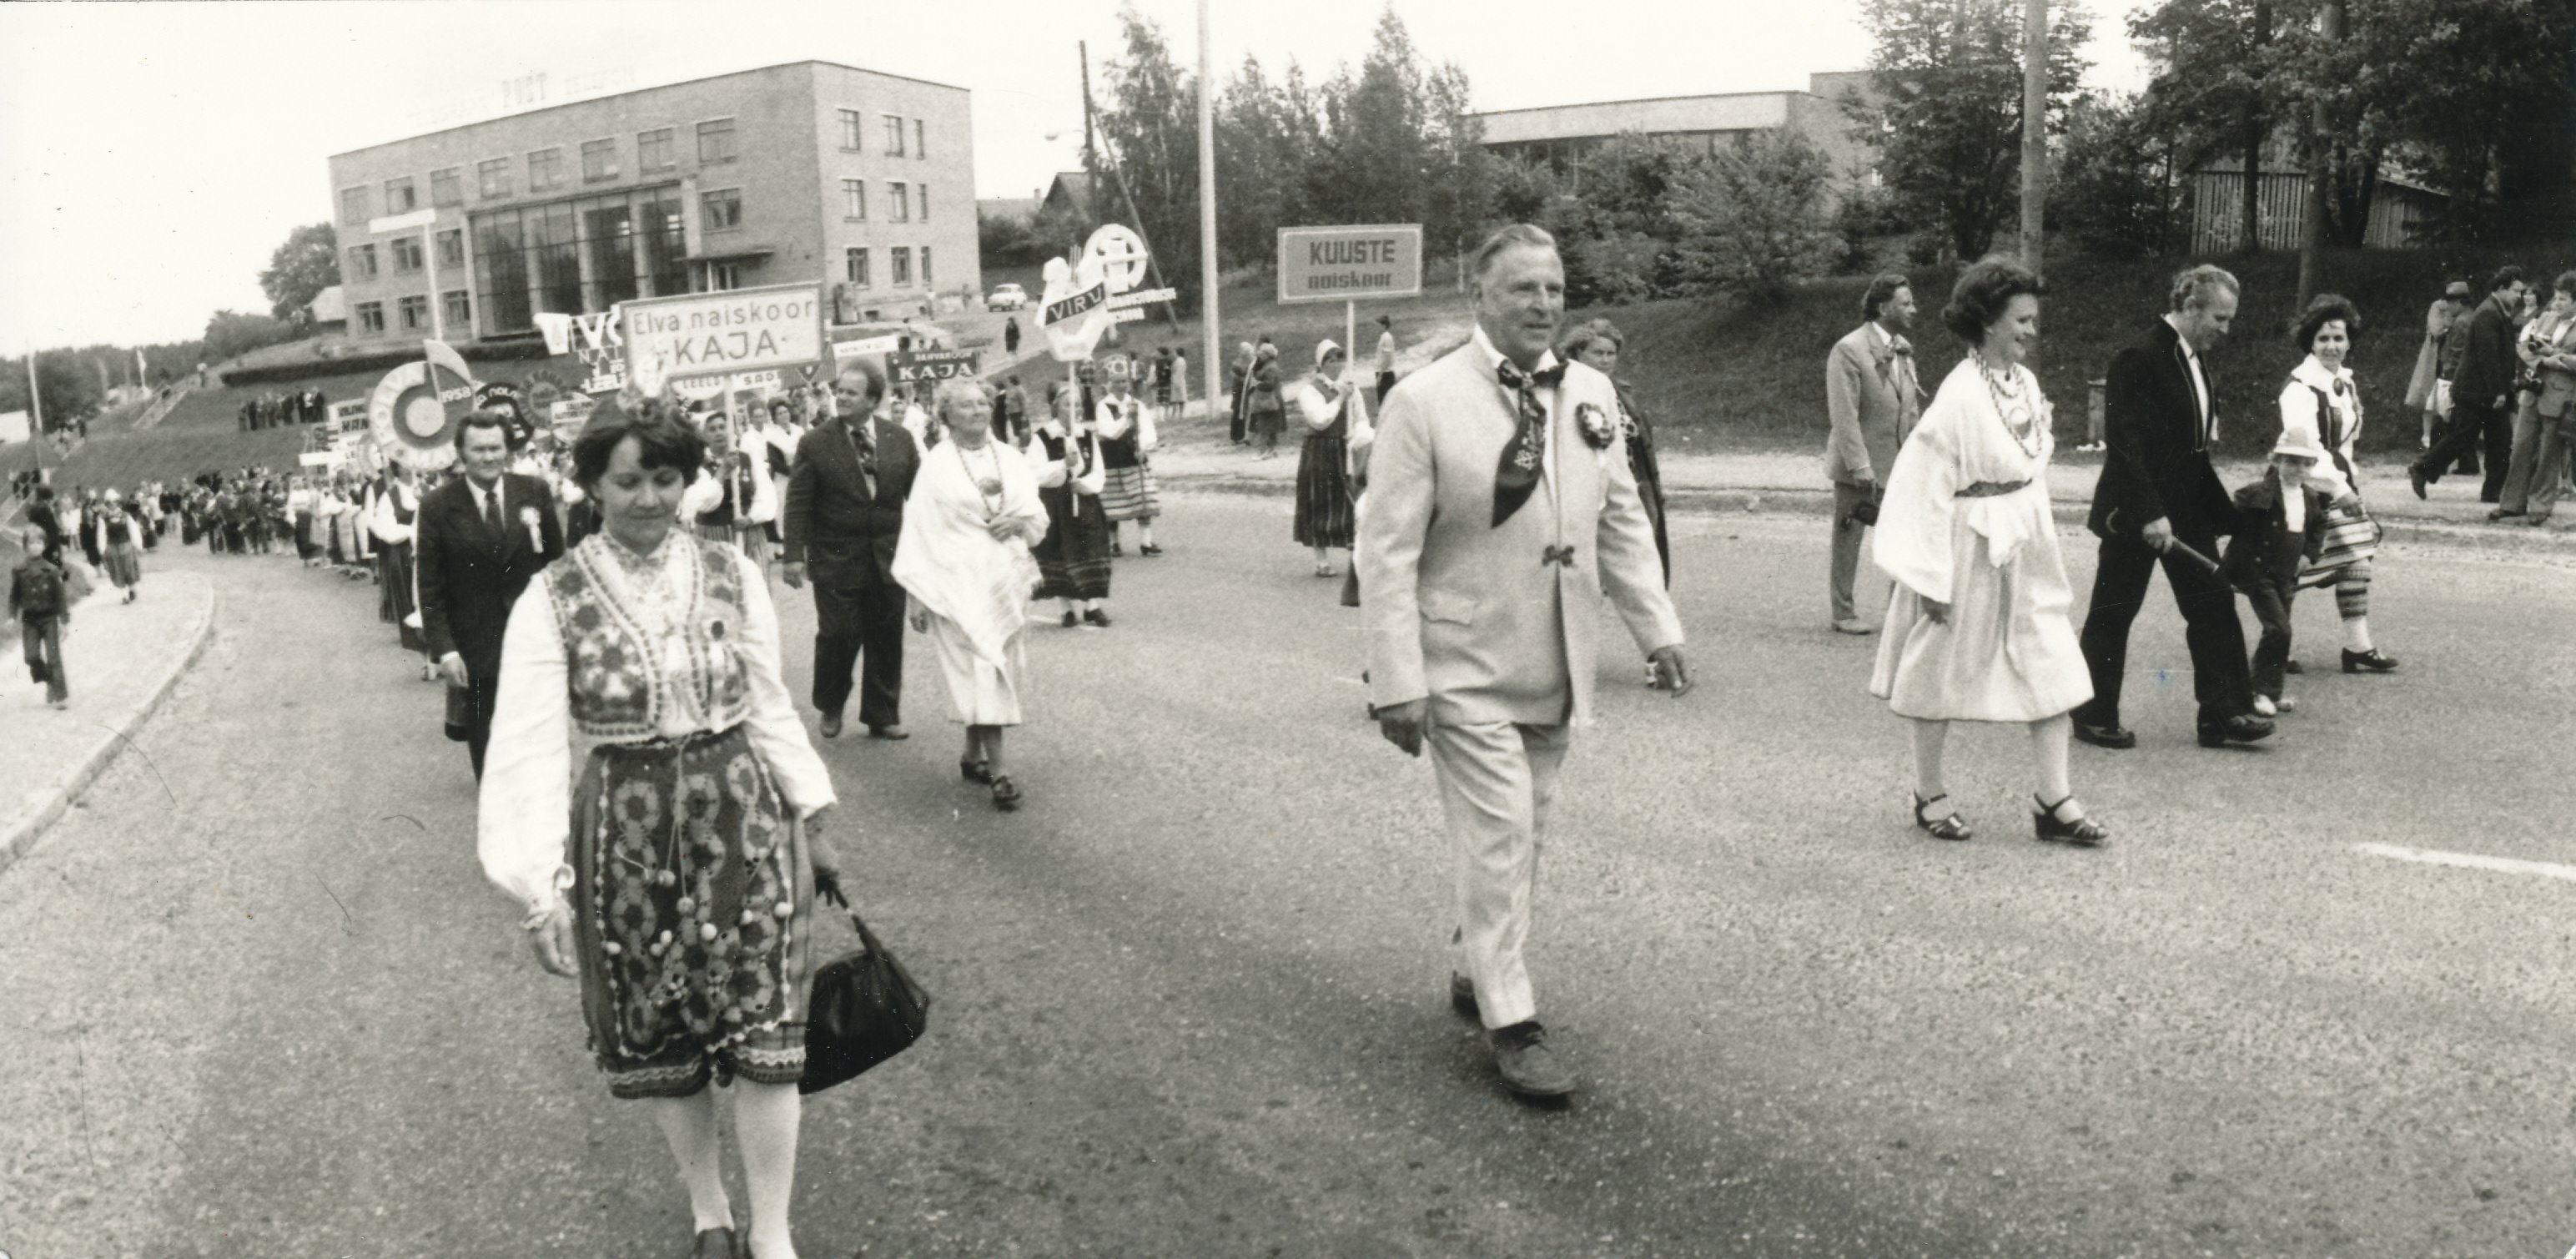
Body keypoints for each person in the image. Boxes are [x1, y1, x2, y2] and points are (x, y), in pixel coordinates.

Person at [478, 400, 842, 1259]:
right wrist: (541, 889)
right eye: (628, 480)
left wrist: (814, 812)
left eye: (665, 478)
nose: (648, 498)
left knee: (766, 1032)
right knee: (663, 1031)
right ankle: (709, 1210)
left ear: (689, 481)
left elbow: (767, 702)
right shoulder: (552, 595)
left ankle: (775, 1233)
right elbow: (526, 743)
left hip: (741, 815)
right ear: (593, 485)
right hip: (625, 829)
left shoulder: (729, 572)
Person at [1360, 224, 1690, 1100]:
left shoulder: (1590, 391)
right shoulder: (1422, 401)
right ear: (1481, 299)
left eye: (1553, 288)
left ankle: (1476, 959)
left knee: (1525, 825)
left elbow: (1619, 518)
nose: (1542, 304)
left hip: (1556, 658)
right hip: (1459, 660)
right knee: (1502, 826)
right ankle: (1514, 1020)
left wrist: (1656, 630)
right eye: (1522, 290)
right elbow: (1385, 551)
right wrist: (1396, 680)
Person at [1871, 256, 2104, 846]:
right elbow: (1920, 487)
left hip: (2024, 538)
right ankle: (1929, 791)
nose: (2032, 329)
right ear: (1988, 322)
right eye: (2021, 319)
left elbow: (2029, 457)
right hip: (1967, 545)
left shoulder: (2021, 381)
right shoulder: (1958, 395)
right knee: (1939, 668)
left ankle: (2055, 799)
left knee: (2051, 656)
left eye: (2033, 318)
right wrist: (1928, 578)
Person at [2074, 264, 2273, 752]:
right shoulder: (2139, 357)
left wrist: (2225, 516)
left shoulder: (2193, 359)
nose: (2225, 330)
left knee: (2214, 603)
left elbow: (2192, 452)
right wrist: (2147, 512)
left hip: (2183, 510)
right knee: (2115, 610)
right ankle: (2092, 715)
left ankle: (2224, 715)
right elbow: (2124, 445)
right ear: (2188, 307)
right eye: (2219, 319)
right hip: (2135, 511)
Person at [892, 380, 1049, 812]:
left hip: (1005, 580)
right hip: (955, 585)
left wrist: (1016, 522)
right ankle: (1000, 773)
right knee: (985, 668)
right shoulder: (936, 466)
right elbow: (918, 533)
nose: (978, 410)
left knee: (996, 667)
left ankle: (971, 755)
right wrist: (917, 597)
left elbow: (1037, 514)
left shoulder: (1012, 458)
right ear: (947, 414)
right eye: (966, 405)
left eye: (983, 403)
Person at [417, 411, 568, 781]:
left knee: (542, 750)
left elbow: (557, 566)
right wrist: (446, 650)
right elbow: (430, 587)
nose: (488, 457)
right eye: (478, 449)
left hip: (535, 645)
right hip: (476, 652)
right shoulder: (438, 506)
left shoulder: (534, 491)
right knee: (491, 756)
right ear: (461, 454)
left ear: (508, 450)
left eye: (495, 448)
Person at [783, 365, 918, 740]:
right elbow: (798, 502)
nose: (840, 398)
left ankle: (881, 713)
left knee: (886, 635)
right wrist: (793, 554)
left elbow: (921, 499)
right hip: (835, 556)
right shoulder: (815, 442)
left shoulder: (900, 439)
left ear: (873, 400)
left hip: (889, 557)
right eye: (839, 391)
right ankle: (831, 703)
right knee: (839, 634)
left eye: (851, 393)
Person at [2271, 294, 2399, 678]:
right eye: (2323, 338)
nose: (2332, 346)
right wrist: (2339, 490)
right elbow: (2307, 450)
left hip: (2337, 484)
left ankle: (2357, 647)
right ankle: (2277, 646)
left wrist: (2349, 485)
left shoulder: (2343, 382)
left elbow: (2344, 444)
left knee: (2356, 559)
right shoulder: (2300, 388)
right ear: (2310, 342)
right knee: (2290, 567)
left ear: (2349, 341)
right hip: (2305, 486)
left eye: (2339, 338)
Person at [1823, 274, 1924, 634]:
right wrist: (1859, 465)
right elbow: (1844, 414)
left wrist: (1918, 453)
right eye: (1906, 303)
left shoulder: (1902, 347)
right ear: (1884, 308)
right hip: (1860, 466)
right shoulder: (1849, 349)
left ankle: (1899, 612)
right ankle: (1843, 613)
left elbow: (1909, 406)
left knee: (1900, 536)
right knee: (1849, 536)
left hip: (1898, 463)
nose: (1914, 309)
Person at [2225, 430, 2336, 718]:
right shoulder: (2256, 494)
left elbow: (2318, 527)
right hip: (2259, 572)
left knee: (2277, 633)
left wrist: (2309, 555)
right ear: (2276, 461)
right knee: (2279, 630)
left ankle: (2266, 692)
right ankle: (2258, 691)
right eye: (2291, 461)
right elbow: (2231, 523)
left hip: (2288, 574)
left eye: (2306, 463)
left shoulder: (2311, 497)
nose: (2298, 469)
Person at [1560, 319, 1672, 597]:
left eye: (1611, 354)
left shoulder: (1621, 391)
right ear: (1576, 354)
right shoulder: (1563, 390)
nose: (1606, 360)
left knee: (1645, 539)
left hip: (1632, 480)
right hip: (1586, 484)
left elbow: (1640, 441)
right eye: (1598, 353)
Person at [2412, 266, 2529, 504]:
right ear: (2501, 289)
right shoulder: (2488, 313)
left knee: (2499, 440)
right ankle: (2422, 469)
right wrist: (2498, 391)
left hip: (2484, 390)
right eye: (2516, 291)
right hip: (2475, 390)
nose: (2520, 295)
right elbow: (2488, 356)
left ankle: (2493, 492)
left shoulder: (2497, 310)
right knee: (2464, 437)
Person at [2493, 269, 2576, 526]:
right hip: (2533, 390)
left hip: (2560, 397)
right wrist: (2544, 359)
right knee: (2521, 447)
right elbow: (2523, 347)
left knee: (2548, 453)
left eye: (2563, 298)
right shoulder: (2545, 317)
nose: (2556, 303)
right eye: (2555, 297)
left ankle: (2540, 506)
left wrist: (2555, 356)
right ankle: (2511, 504)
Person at [1029, 385, 1114, 627]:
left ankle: (1092, 606)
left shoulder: (1086, 436)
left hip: (1084, 501)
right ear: (1056, 407)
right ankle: (1065, 607)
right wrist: (1062, 465)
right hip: (1055, 503)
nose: (1074, 409)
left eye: (1078, 404)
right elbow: (1033, 473)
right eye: (1068, 404)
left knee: (1088, 549)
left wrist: (1085, 484)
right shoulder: (1043, 437)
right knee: (1059, 551)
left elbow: (1098, 469)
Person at [1291, 339, 1366, 578]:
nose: (1336, 365)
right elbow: (1320, 420)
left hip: (1345, 450)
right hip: (1320, 451)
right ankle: (1321, 560)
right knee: (1319, 502)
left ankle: (1357, 555)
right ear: (1321, 364)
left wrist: (1359, 439)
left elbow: (1361, 419)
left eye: (1339, 360)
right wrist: (1339, 399)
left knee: (1352, 501)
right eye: (1330, 361)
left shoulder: (1352, 390)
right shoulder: (1310, 391)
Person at [686, 410, 780, 564]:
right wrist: (723, 470)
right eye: (712, 429)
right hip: (712, 536)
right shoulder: (698, 465)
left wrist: (751, 518)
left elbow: (766, 493)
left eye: (723, 427)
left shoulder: (748, 459)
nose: (719, 433)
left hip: (748, 533)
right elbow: (701, 502)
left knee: (754, 581)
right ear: (704, 436)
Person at [1093, 359, 1164, 557]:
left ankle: (1146, 541)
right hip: (1112, 458)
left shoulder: (1137, 404)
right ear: (1109, 384)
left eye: (1124, 381)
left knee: (1143, 497)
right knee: (1112, 501)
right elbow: (1109, 432)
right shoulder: (1103, 406)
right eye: (1117, 382)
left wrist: (1144, 447)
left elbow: (1147, 428)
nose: (1122, 386)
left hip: (1133, 456)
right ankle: (1114, 543)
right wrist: (1126, 418)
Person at [2407, 281, 2473, 450]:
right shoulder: (2438, 307)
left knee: (2445, 403)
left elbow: (2454, 342)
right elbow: (2436, 330)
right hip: (2435, 355)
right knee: (2432, 397)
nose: (2449, 304)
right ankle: (2428, 437)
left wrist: (2448, 328)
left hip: (2449, 360)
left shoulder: (2463, 318)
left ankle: (2439, 447)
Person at [12, 525, 72, 709]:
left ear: (44, 545)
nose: (35, 546)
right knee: (31, 656)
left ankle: (60, 696)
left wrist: (64, 621)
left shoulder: (51, 570)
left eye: (39, 542)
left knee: (54, 657)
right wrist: (11, 616)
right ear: (25, 546)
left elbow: (60, 597)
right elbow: (14, 596)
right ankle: (49, 680)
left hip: (49, 619)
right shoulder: (19, 570)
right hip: (29, 620)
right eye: (31, 543)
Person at [97, 491, 143, 604]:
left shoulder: (125, 516)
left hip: (126, 545)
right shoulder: (103, 518)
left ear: (118, 503)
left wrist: (138, 545)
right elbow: (101, 535)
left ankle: (132, 589)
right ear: (106, 505)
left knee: (129, 569)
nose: (112, 505)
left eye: (114, 502)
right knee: (117, 571)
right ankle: (124, 596)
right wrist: (102, 550)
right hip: (112, 547)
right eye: (109, 503)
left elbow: (133, 530)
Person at [1246, 342, 1285, 458]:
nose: (1259, 354)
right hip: (1271, 401)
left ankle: (1262, 451)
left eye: (1262, 352)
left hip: (1268, 401)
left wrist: (1256, 384)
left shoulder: (1270, 368)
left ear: (1268, 354)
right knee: (1270, 427)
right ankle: (1271, 450)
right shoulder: (1268, 365)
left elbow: (1269, 384)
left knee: (1263, 427)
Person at [1228, 341, 1255, 446]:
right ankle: (1237, 436)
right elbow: (1236, 376)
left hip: (1246, 390)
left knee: (1244, 412)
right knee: (1238, 412)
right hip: (1239, 391)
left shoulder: (1249, 362)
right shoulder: (1238, 363)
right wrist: (1245, 380)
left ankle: (1243, 435)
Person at [1373, 314, 1399, 406]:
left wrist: (1380, 375)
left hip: (1386, 374)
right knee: (1383, 403)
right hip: (1384, 373)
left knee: (1385, 403)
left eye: (1378, 325)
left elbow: (1387, 358)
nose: (1376, 328)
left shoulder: (1386, 338)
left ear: (1383, 326)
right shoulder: (1384, 337)